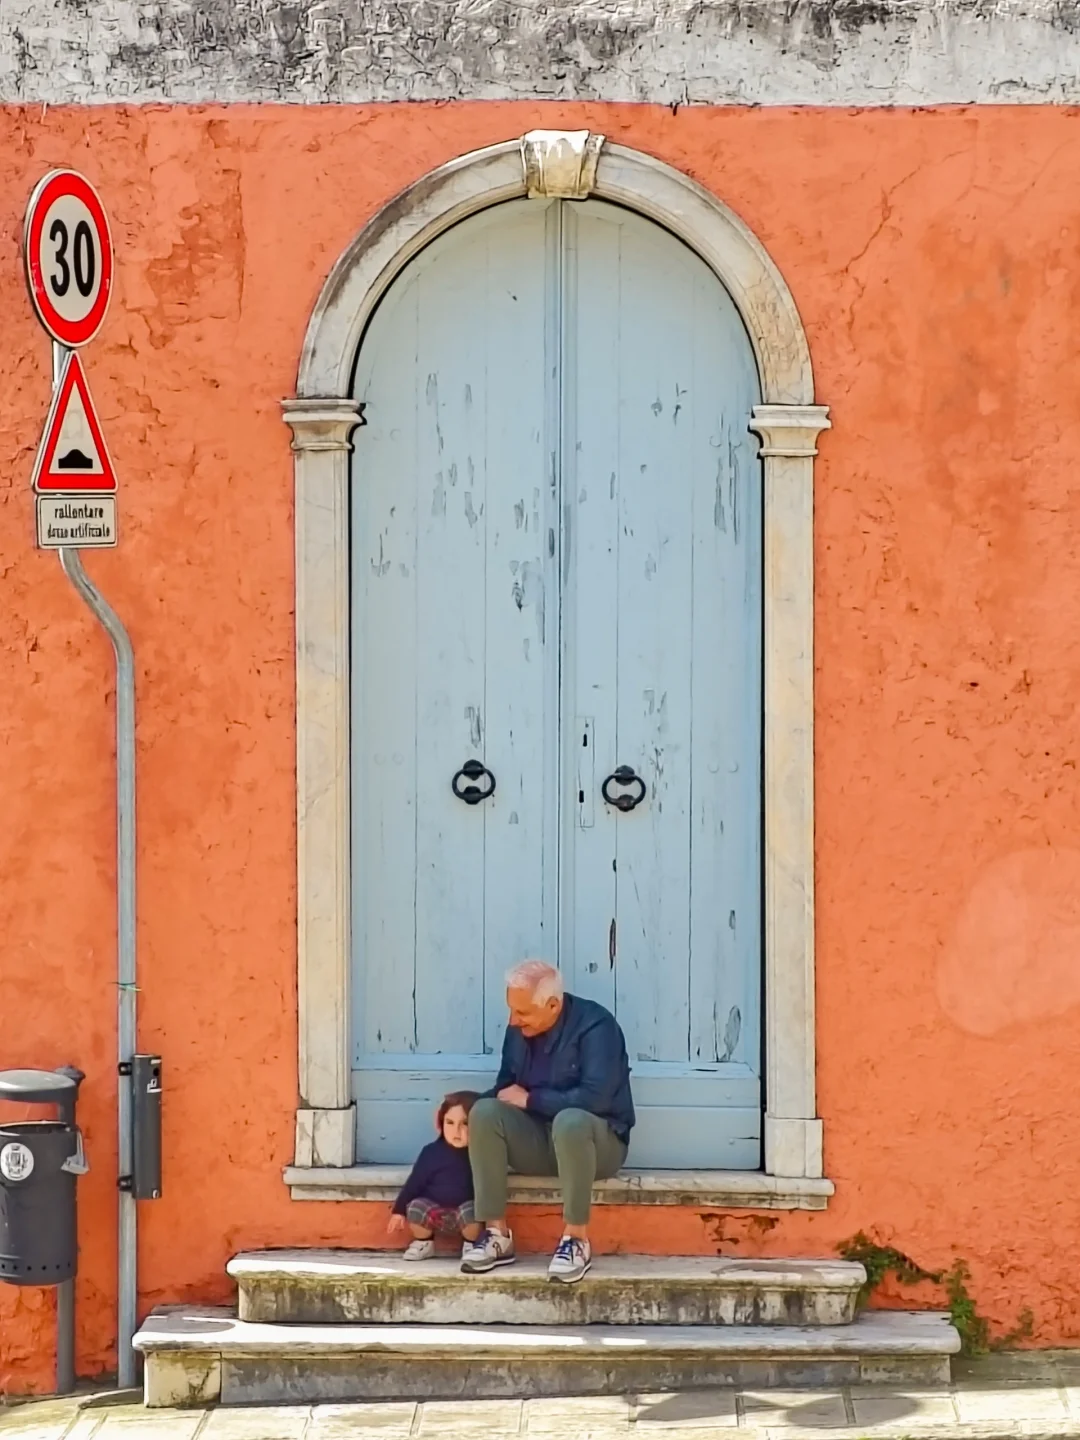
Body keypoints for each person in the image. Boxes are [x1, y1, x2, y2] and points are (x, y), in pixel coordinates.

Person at [462, 960, 634, 1284]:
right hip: (540, 1141)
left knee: (570, 1122)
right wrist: (461, 1107)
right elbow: (505, 1089)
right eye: (512, 1011)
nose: (513, 1020)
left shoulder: (597, 1027)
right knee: (483, 1112)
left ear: (553, 1005)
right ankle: (497, 1235)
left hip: (597, 1145)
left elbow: (597, 1099)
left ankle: (576, 1240)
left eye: (522, 1013)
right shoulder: (519, 1031)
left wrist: (531, 1100)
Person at [388, 1090, 483, 1260]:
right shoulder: (431, 1152)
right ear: (440, 1123)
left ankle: (471, 1244)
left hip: (464, 1213)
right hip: (434, 1211)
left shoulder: (480, 1154)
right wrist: (399, 1211)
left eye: (465, 1123)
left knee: (474, 1211)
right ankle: (424, 1242)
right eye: (450, 1122)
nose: (456, 1130)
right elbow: (414, 1183)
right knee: (416, 1207)